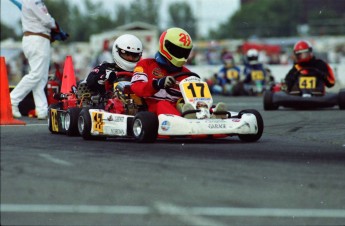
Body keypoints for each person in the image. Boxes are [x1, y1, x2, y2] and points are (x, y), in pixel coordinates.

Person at [130, 27, 227, 119]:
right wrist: (157, 83)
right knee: (163, 104)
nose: (181, 55)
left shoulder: (187, 73)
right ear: (165, 46)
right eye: (177, 51)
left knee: (193, 104)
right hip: (152, 111)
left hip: (181, 108)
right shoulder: (146, 64)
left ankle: (211, 115)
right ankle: (188, 119)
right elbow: (136, 87)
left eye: (184, 52)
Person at [11, 0, 58, 119]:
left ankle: (41, 109)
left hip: (39, 39)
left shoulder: (36, 2)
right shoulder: (32, 1)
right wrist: (54, 24)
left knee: (41, 78)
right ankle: (12, 100)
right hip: (37, 39)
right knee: (36, 75)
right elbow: (47, 20)